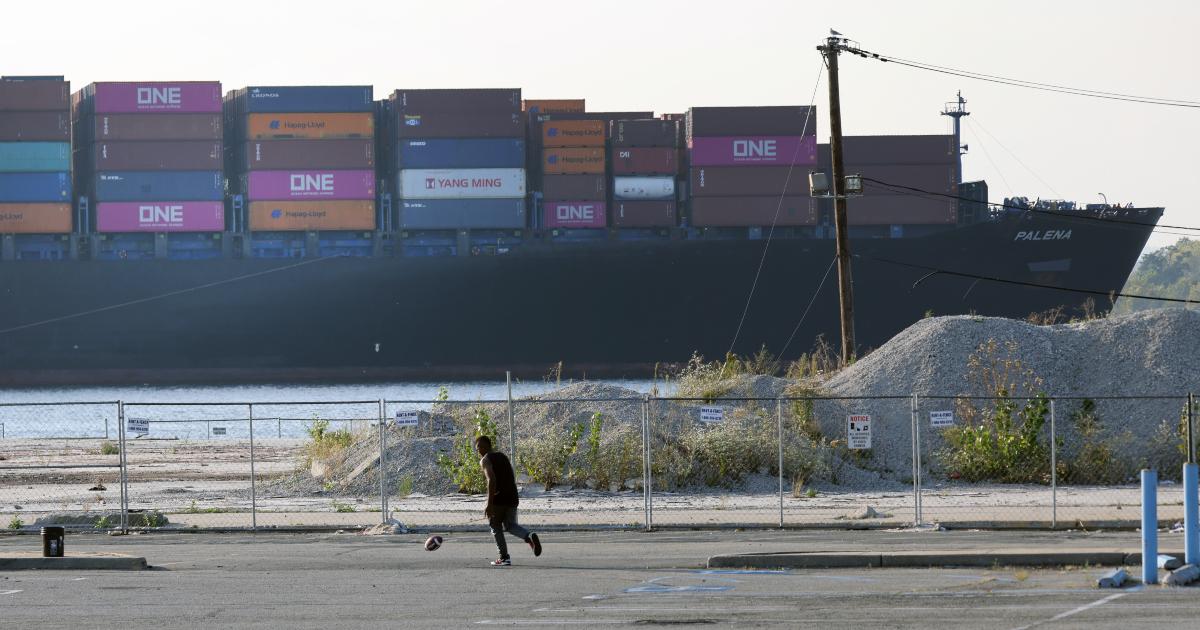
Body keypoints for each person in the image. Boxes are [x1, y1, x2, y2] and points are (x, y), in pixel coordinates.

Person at [476, 435, 541, 566]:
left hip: (498, 499)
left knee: (495, 526)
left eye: (479, 448)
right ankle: (529, 536)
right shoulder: (503, 456)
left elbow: (491, 480)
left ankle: (504, 557)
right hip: (512, 496)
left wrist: (489, 504)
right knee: (510, 525)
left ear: (485, 447)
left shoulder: (485, 460)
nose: (478, 451)